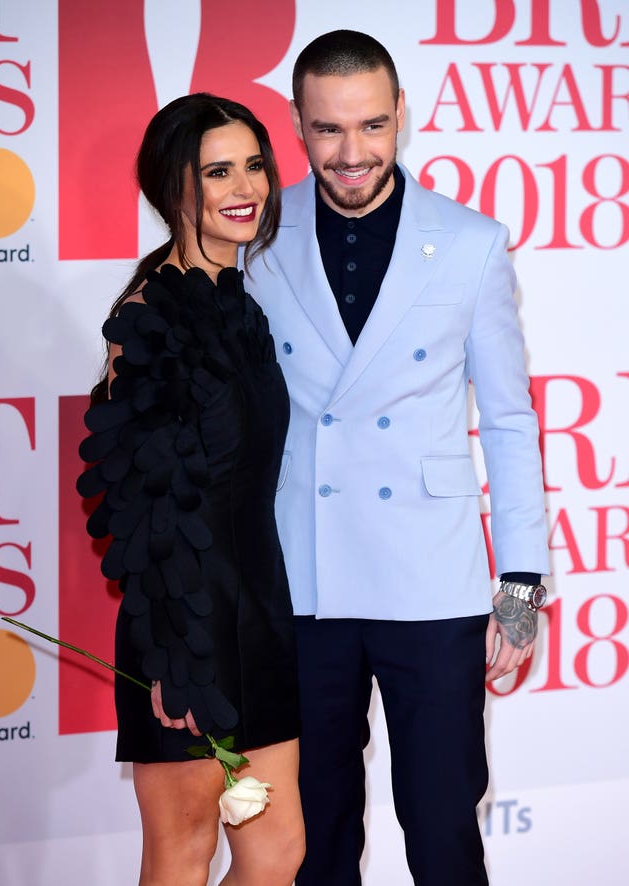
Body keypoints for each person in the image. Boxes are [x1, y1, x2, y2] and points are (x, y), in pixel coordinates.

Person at [245, 30, 551, 886]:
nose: (353, 154)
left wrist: (520, 584)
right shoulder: (255, 236)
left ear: (402, 119)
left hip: (431, 580)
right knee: (316, 832)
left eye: (372, 127)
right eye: (329, 131)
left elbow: (509, 420)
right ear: (297, 126)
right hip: (301, 576)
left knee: (445, 822)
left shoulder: (470, 241)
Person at [77, 93, 304, 886]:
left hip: (261, 614)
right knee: (182, 857)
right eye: (217, 171)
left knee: (279, 851)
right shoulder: (148, 320)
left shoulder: (237, 306)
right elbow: (136, 507)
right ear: (173, 188)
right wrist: (176, 656)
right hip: (189, 630)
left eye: (253, 165)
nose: (245, 186)